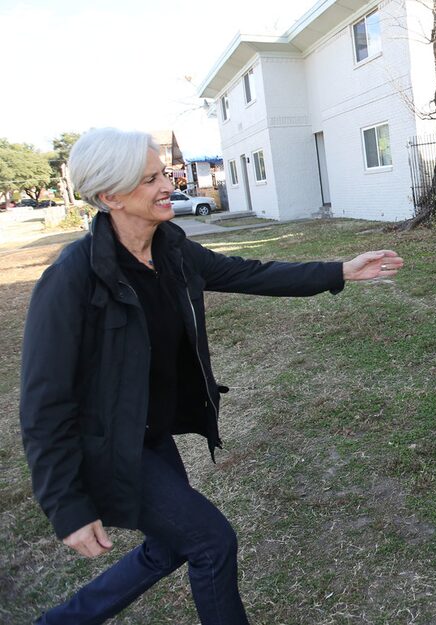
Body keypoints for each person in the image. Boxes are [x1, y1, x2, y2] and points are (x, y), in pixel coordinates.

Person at [20, 127, 404, 624]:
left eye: (164, 173)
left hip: (150, 435)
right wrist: (66, 505)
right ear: (110, 196)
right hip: (109, 444)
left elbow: (247, 273)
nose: (168, 185)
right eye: (150, 179)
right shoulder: (72, 279)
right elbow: (43, 403)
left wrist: (341, 272)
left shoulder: (170, 248)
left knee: (168, 548)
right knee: (210, 542)